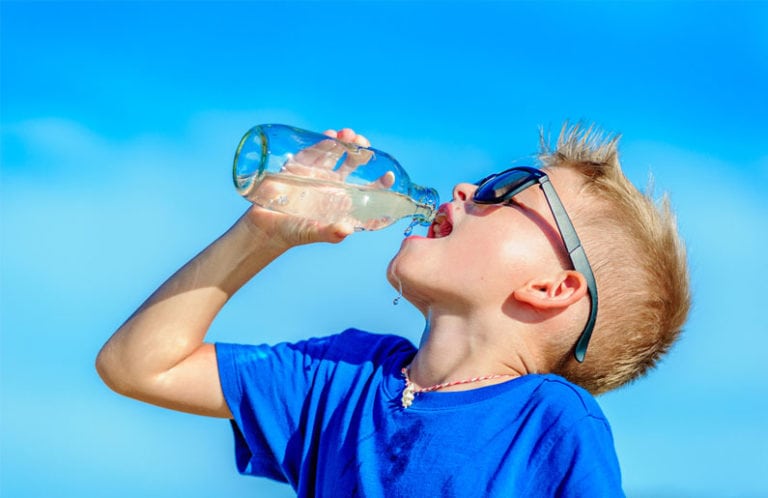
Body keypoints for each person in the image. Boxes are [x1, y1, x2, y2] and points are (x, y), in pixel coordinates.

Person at [96, 124, 690, 497]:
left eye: (504, 190)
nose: (463, 190)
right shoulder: (344, 379)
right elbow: (139, 365)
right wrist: (261, 235)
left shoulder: (547, 424)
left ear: (553, 287)